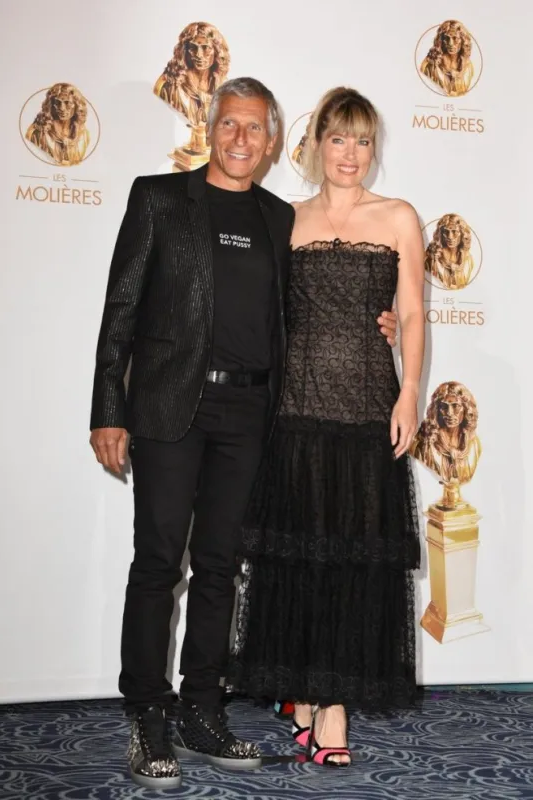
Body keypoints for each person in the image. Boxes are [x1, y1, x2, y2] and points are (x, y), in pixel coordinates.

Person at [89, 76, 399, 788]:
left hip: (252, 415)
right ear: (211, 126)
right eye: (229, 124)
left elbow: (318, 298)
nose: (240, 139)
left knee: (223, 567)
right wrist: (109, 407)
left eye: (254, 129)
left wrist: (379, 321)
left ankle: (203, 708)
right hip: (171, 410)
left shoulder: (277, 217)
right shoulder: (159, 198)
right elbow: (120, 309)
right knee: (159, 562)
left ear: (270, 140)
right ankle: (147, 713)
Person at [230, 86, 425, 767]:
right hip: (297, 414)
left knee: (350, 567)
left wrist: (410, 399)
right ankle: (310, 699)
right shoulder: (284, 219)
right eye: (338, 139)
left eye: (363, 140)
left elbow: (414, 316)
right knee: (303, 564)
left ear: (375, 148)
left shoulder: (399, 217)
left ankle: (327, 706)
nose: (351, 154)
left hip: (369, 408)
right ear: (315, 147)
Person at [26, 82, 90, 166]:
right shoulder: (39, 131)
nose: (62, 108)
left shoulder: (83, 134)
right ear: (52, 104)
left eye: (67, 103)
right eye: (58, 103)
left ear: (77, 105)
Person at [420, 19, 474, 97]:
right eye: (447, 38)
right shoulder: (430, 64)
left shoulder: (468, 66)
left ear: (463, 40)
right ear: (441, 40)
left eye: (455, 38)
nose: (450, 43)